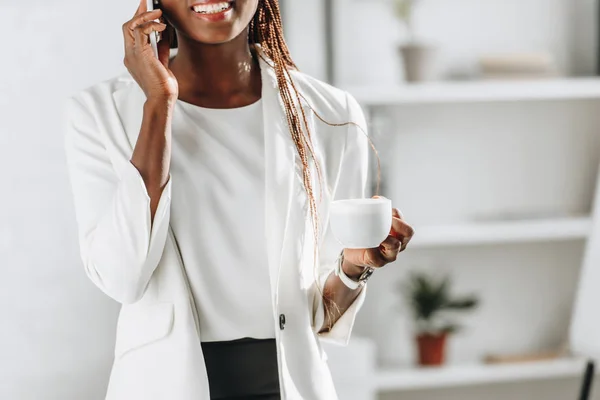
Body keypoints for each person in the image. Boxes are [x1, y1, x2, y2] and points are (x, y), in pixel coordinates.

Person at [63, 0, 414, 399]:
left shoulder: (328, 113)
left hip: (288, 386)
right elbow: (122, 276)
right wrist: (158, 104)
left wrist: (356, 266)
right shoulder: (98, 113)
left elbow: (320, 319)